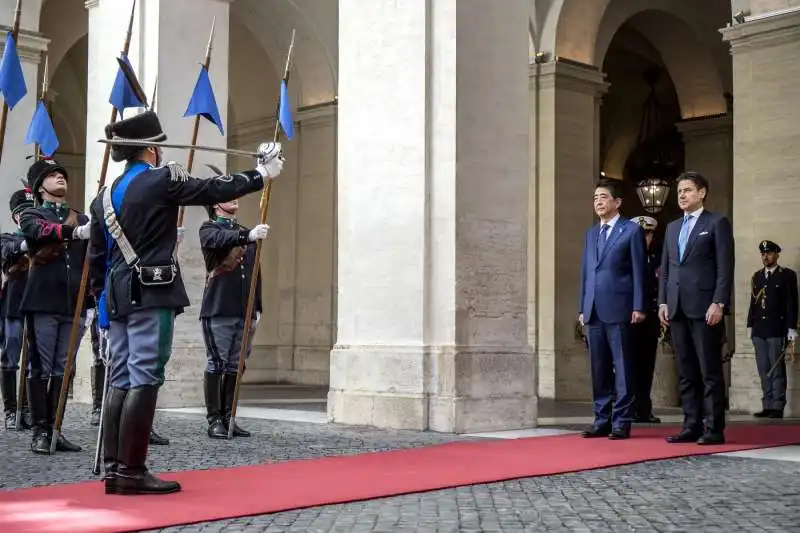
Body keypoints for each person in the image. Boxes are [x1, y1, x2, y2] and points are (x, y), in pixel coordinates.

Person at [88, 110, 284, 496]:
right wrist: (261, 174)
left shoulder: (103, 198)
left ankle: (114, 470)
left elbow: (97, 259)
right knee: (145, 373)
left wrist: (101, 306)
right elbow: (211, 190)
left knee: (122, 376)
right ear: (150, 149)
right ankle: (131, 470)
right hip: (150, 292)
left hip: (117, 295)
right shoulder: (162, 179)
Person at [19, 159, 91, 454]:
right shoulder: (31, 214)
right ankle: (40, 430)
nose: (60, 177)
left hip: (73, 303)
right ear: (40, 186)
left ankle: (56, 429)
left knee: (64, 368)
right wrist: (73, 232)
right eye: (52, 175)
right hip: (43, 301)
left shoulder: (83, 218)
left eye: (62, 174)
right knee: (41, 367)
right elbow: (38, 232)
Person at [658, 171, 734, 445]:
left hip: (705, 308)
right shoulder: (672, 227)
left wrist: (719, 302)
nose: (682, 195)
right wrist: (662, 302)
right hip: (676, 307)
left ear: (702, 193)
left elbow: (725, 268)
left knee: (709, 370)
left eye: (688, 190)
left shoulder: (716, 223)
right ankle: (691, 425)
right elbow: (666, 271)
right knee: (686, 371)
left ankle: (713, 428)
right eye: (680, 191)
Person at [578, 179, 647, 440]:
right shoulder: (591, 233)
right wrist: (582, 306)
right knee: (599, 368)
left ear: (617, 202)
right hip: (594, 309)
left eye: (603, 197)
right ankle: (601, 418)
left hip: (620, 308)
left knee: (623, 368)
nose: (598, 201)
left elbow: (640, 271)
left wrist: (639, 305)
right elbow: (586, 273)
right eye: (595, 197)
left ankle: (621, 421)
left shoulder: (631, 231)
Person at [199, 199, 268, 439]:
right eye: (228, 196)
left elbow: (253, 274)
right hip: (219, 308)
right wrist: (248, 235)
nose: (235, 200)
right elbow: (216, 242)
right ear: (216, 204)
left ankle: (229, 417)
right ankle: (214, 419)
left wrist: (257, 306)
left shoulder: (244, 233)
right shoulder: (209, 229)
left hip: (243, 310)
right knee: (217, 363)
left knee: (235, 365)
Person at [747, 240, 797, 419]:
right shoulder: (757, 276)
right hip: (759, 330)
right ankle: (767, 404)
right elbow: (753, 304)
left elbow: (792, 304)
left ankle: (777, 405)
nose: (765, 257)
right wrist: (749, 325)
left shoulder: (787, 276)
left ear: (776, 255)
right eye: (763, 254)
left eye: (768, 253)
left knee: (776, 370)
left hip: (777, 329)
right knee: (763, 369)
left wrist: (791, 328)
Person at [0, 187, 36, 430]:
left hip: (38, 305)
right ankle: (11, 410)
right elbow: (7, 250)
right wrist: (26, 244)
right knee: (11, 355)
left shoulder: (46, 238)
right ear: (15, 216)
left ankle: (26, 409)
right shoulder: (7, 238)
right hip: (13, 307)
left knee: (34, 360)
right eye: (23, 213)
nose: (26, 216)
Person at [629, 215, 662, 424]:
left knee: (646, 365)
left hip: (650, 317)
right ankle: (629, 407)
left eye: (648, 234)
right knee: (628, 365)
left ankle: (643, 408)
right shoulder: (627, 258)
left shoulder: (656, 258)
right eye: (641, 234)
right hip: (630, 317)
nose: (645, 238)